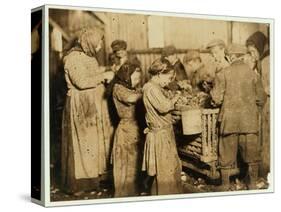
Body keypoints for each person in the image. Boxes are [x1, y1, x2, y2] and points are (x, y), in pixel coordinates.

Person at [61, 28, 115, 196]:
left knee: (92, 143)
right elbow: (82, 82)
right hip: (80, 104)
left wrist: (104, 70)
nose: (99, 47)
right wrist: (103, 76)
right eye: (97, 43)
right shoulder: (73, 58)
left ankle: (93, 180)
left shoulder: (88, 56)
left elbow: (91, 72)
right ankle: (79, 184)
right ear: (89, 42)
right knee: (82, 144)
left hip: (91, 103)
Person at [210, 44, 266, 190]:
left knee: (226, 154)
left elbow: (216, 99)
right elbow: (261, 98)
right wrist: (252, 112)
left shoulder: (223, 74)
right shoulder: (254, 74)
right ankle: (253, 183)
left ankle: (225, 184)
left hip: (229, 123)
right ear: (243, 56)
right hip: (250, 123)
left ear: (231, 57)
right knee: (252, 154)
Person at [142, 58, 183, 195]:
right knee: (165, 172)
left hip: (165, 132)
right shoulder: (150, 88)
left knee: (169, 170)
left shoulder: (156, 87)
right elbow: (165, 106)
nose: (169, 80)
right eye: (168, 77)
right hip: (160, 135)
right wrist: (176, 97)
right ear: (159, 73)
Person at [111, 60, 143, 197]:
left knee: (134, 163)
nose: (137, 80)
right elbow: (131, 98)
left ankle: (132, 193)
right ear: (126, 76)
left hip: (134, 128)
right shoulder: (118, 88)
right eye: (135, 78)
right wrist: (148, 92)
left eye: (139, 78)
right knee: (126, 163)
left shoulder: (132, 88)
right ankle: (124, 195)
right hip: (125, 129)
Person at [246, 31, 270, 179]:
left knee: (267, 138)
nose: (252, 55)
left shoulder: (268, 61)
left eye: (253, 51)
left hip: (270, 105)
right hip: (265, 104)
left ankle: (267, 170)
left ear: (260, 48)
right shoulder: (261, 61)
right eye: (250, 52)